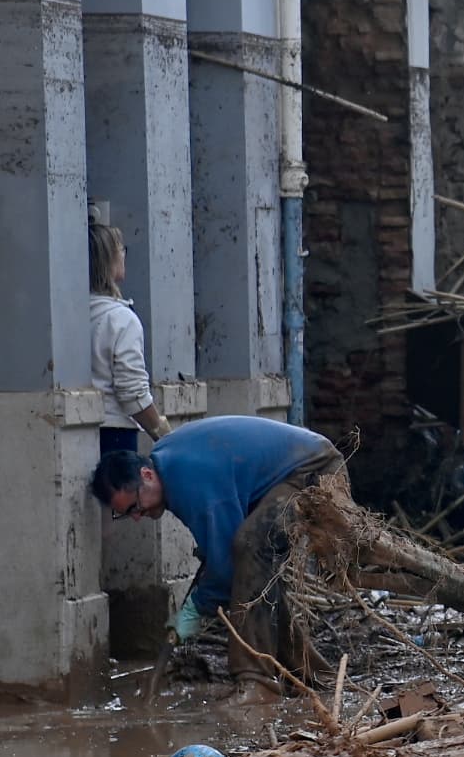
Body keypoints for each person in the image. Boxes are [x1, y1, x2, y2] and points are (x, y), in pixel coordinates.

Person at [90, 415, 346, 703]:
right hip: (294, 471)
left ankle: (257, 683)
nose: (137, 518)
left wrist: (196, 608)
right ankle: (316, 678)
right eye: (126, 514)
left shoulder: (187, 479)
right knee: (256, 578)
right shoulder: (168, 467)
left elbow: (226, 568)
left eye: (135, 507)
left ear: (147, 475)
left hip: (314, 471)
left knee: (250, 549)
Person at [88, 221, 171, 455]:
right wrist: (164, 436)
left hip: (86, 429)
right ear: (109, 260)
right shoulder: (121, 319)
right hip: (115, 434)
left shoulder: (72, 317)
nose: (124, 255)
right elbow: (132, 393)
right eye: (121, 250)